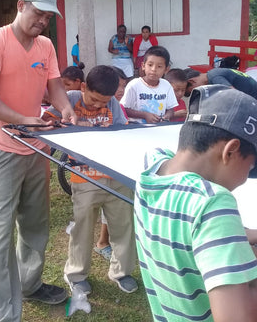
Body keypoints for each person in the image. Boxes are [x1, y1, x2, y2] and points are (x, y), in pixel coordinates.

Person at [0, 0, 77, 322]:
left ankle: (30, 285)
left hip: (37, 148)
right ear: (20, 6)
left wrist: (65, 108)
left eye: (47, 17)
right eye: (37, 13)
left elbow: (55, 85)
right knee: (0, 232)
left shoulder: (45, 46)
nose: (42, 22)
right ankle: (1, 312)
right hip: (0, 146)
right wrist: (24, 120)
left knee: (35, 223)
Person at [134, 84, 257, 322]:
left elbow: (188, 227)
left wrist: (243, 235)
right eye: (250, 168)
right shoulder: (212, 203)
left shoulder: (154, 169)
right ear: (230, 151)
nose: (244, 180)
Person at [43, 65, 138, 295]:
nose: (98, 106)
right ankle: (76, 274)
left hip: (116, 175)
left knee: (123, 225)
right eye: (94, 100)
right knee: (83, 226)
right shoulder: (70, 99)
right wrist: (60, 124)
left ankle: (121, 271)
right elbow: (46, 122)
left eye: (103, 103)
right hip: (85, 177)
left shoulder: (112, 104)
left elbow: (121, 133)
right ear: (83, 86)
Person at [94, 66, 129, 260]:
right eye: (117, 86)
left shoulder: (117, 106)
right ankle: (102, 242)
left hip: (117, 163)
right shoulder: (101, 105)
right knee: (106, 206)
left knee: (115, 207)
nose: (121, 89)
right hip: (103, 165)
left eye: (123, 85)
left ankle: (110, 243)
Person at [121, 46, 177, 123]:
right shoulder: (134, 85)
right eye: (150, 65)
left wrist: (166, 116)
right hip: (137, 128)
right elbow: (124, 109)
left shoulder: (166, 85)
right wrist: (145, 115)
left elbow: (170, 109)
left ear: (166, 69)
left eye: (159, 66)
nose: (153, 69)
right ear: (143, 66)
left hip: (159, 127)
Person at [184, 67, 257, 98]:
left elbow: (233, 94)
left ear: (192, 81)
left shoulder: (215, 78)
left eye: (192, 91)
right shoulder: (212, 73)